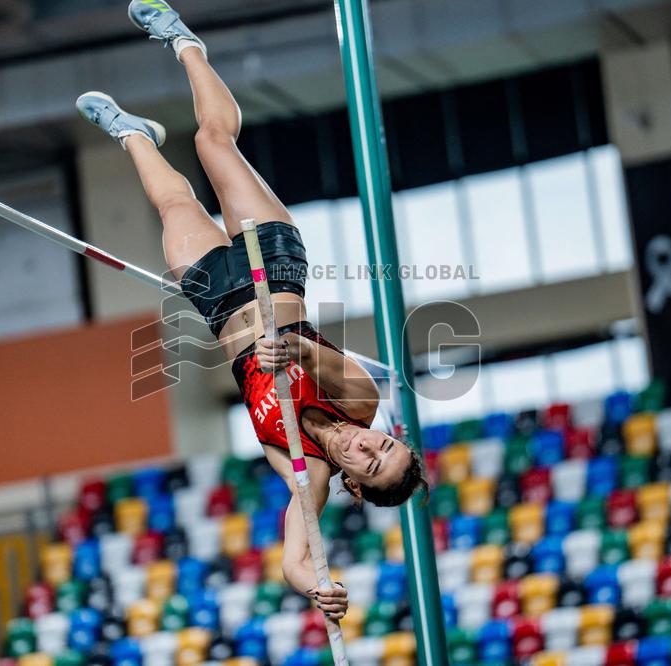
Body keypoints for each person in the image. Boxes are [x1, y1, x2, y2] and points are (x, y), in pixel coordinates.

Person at [76, 0, 428, 621]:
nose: (366, 444)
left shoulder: (305, 473)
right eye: (383, 444)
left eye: (370, 463)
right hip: (276, 273)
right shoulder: (362, 402)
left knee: (175, 209)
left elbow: (295, 559)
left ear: (353, 484)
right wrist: (286, 349)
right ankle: (185, 43)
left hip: (219, 307)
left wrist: (318, 588)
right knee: (213, 142)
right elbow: (310, 355)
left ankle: (133, 135)